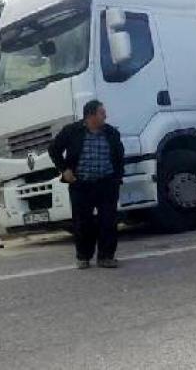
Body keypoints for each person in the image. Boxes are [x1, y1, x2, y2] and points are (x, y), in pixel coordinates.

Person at [48, 100, 125, 269]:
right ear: (90, 115)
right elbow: (53, 149)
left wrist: (117, 178)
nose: (105, 116)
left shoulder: (111, 133)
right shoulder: (72, 131)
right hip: (81, 184)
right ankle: (83, 256)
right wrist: (64, 170)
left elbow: (119, 156)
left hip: (106, 183)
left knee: (108, 221)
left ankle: (106, 256)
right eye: (101, 113)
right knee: (83, 222)